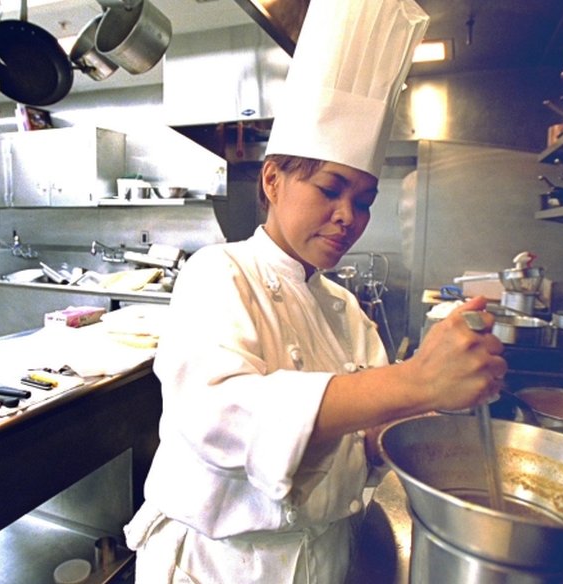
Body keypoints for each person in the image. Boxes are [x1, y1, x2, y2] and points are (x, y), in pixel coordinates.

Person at [124, 0, 507, 581]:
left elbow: (362, 443)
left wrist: (416, 413)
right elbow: (218, 416)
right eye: (331, 189)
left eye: (363, 201)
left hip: (324, 560)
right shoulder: (218, 272)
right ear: (274, 180)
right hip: (221, 566)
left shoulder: (347, 310)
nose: (347, 217)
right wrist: (413, 379)